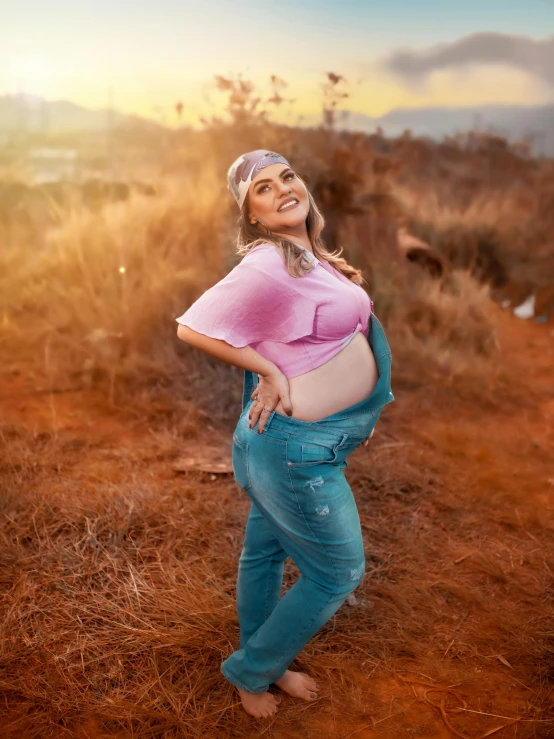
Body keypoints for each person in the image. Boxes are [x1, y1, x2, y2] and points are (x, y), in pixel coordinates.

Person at [175, 149, 394, 720]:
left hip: (289, 445)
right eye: (263, 190)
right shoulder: (268, 263)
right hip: (293, 454)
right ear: (252, 214)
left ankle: (263, 664)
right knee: (337, 572)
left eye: (287, 178)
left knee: (263, 556)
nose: (282, 191)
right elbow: (192, 327)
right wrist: (269, 373)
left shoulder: (308, 257)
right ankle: (252, 671)